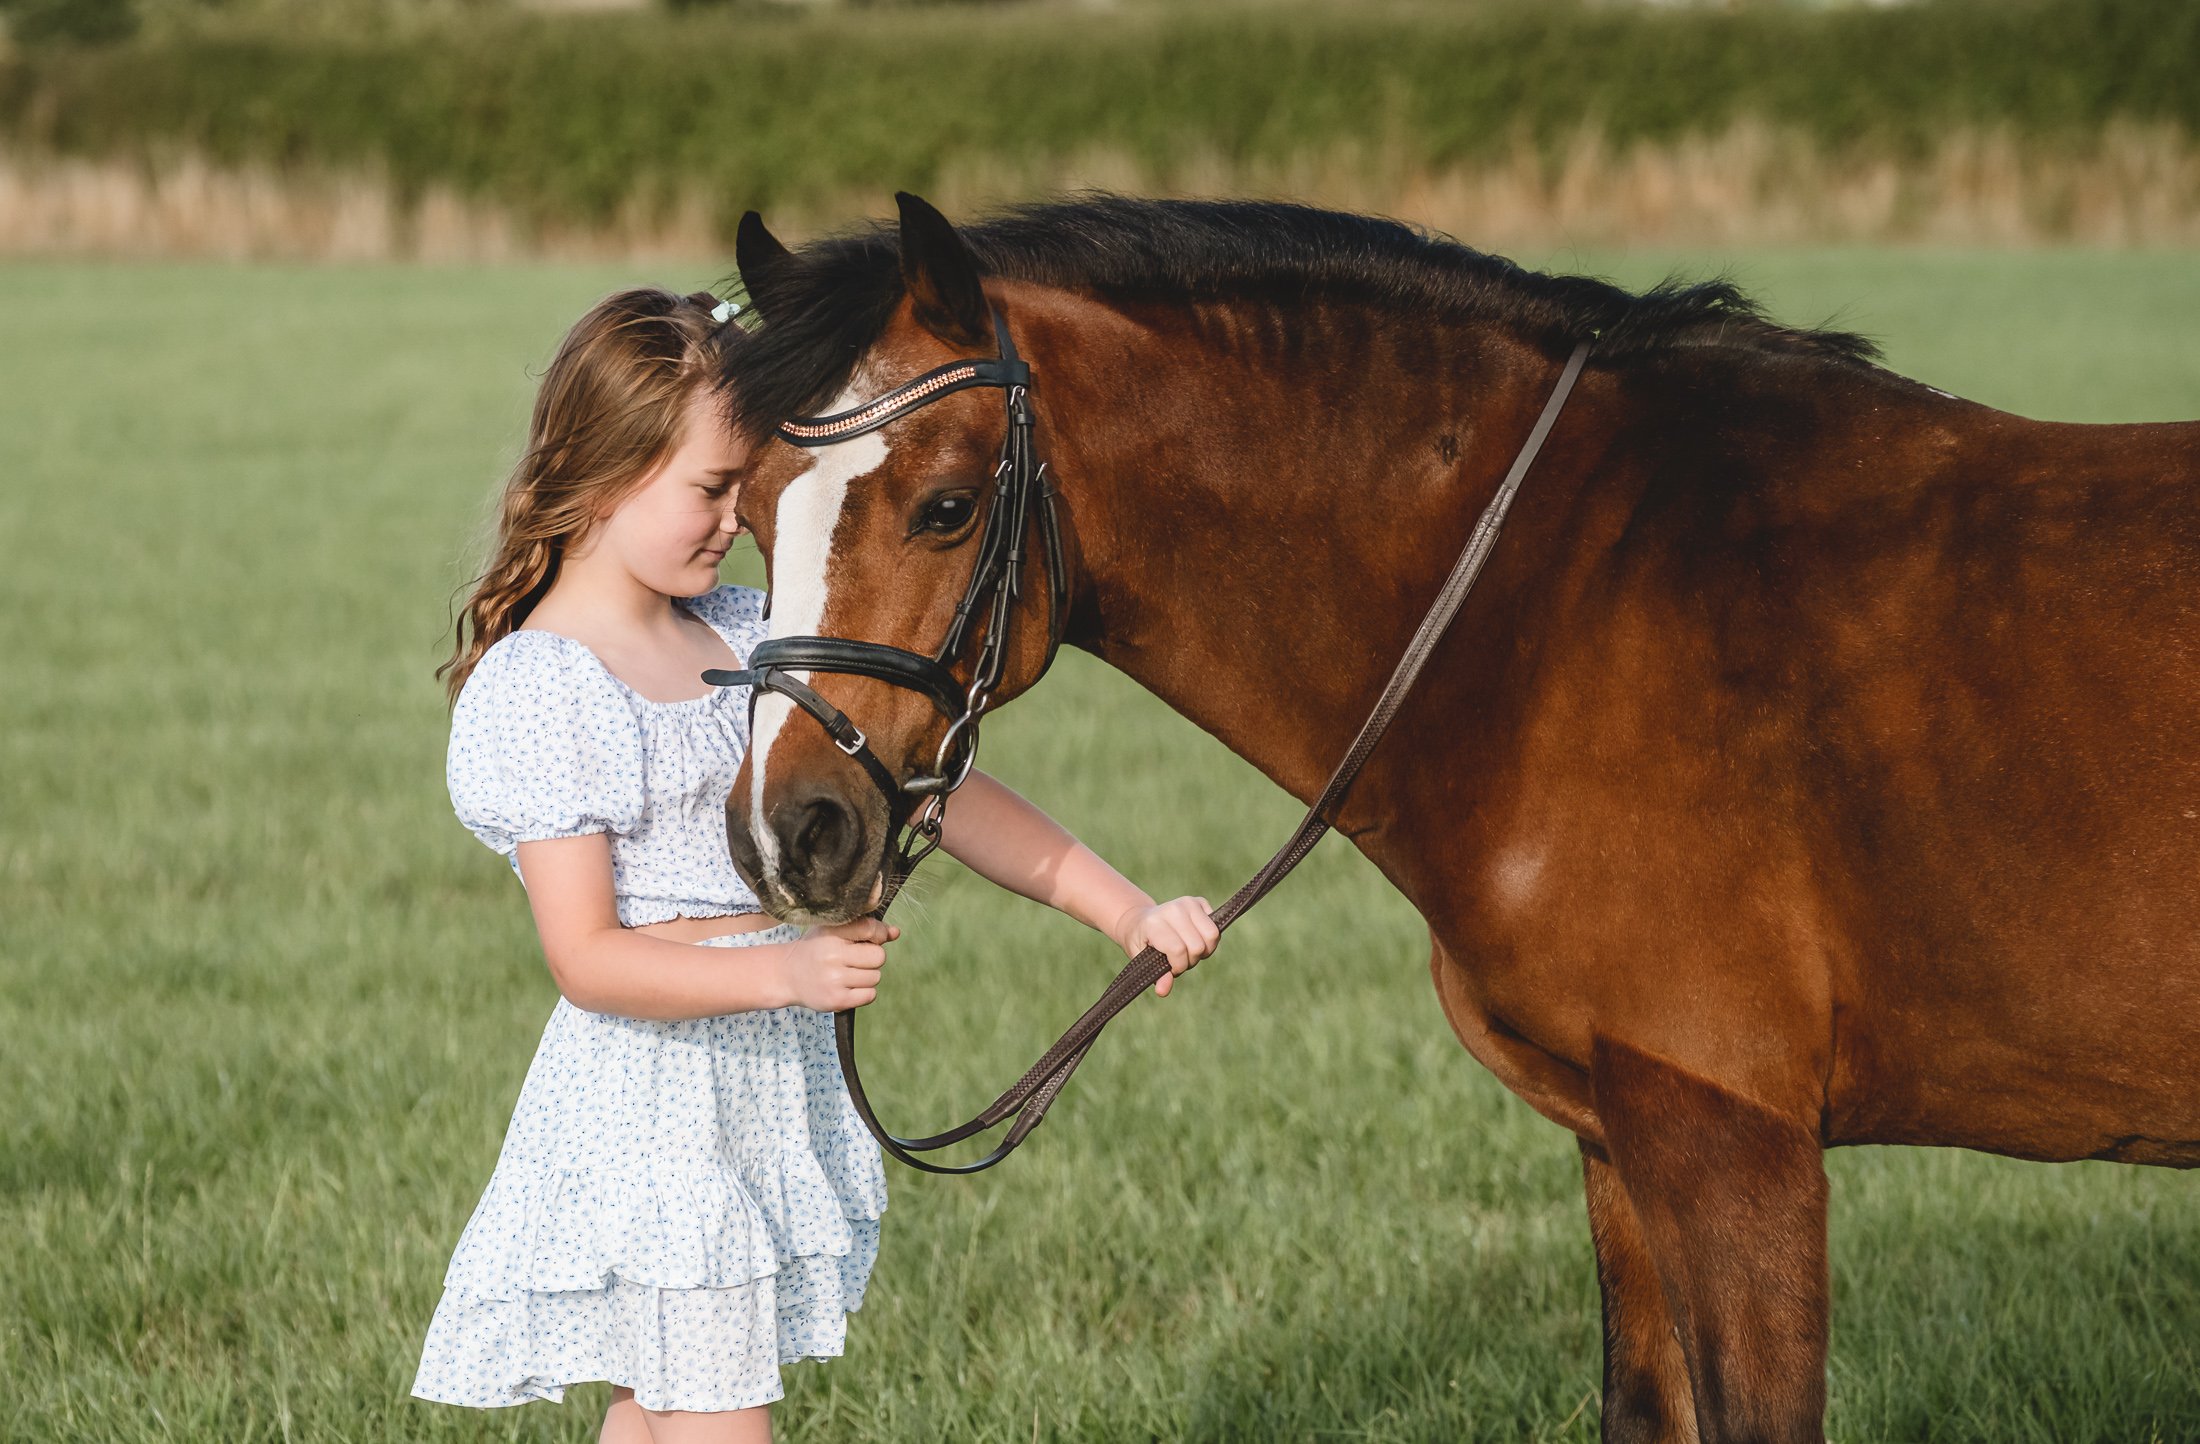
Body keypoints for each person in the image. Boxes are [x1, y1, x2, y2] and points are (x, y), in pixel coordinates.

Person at [411, 288, 1217, 1443]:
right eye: (709, 487)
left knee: (650, 1417)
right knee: (715, 1420)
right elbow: (587, 958)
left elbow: (948, 791)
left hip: (750, 1097)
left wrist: (1122, 907)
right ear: (599, 473)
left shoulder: (747, 631)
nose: (735, 517)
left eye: (743, 486)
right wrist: (787, 971)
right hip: (655, 1117)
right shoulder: (548, 685)